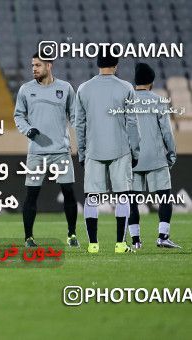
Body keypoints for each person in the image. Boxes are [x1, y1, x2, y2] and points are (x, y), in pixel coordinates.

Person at [75, 47, 140, 254]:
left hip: (93, 150)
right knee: (122, 197)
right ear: (116, 64)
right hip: (120, 150)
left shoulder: (84, 89)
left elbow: (79, 124)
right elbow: (132, 123)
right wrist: (135, 152)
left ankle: (93, 244)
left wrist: (82, 151)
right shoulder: (126, 87)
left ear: (98, 64)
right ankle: (121, 244)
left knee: (92, 198)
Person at [14, 52, 78, 248]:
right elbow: (18, 116)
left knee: (68, 192)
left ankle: (72, 234)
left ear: (49, 66)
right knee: (31, 195)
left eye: (38, 65)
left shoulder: (65, 88)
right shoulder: (25, 90)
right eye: (32, 65)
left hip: (61, 151)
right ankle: (28, 237)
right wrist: (28, 130)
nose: (33, 68)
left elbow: (74, 116)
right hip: (36, 152)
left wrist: (82, 139)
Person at [127, 63, 180, 249]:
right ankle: (163, 237)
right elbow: (167, 132)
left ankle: (135, 241)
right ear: (151, 82)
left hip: (132, 159)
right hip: (156, 157)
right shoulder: (158, 101)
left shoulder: (126, 101)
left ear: (135, 82)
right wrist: (171, 155)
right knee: (164, 197)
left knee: (131, 200)